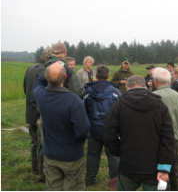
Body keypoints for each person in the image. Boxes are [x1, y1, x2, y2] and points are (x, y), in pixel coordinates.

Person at [104, 75, 175, 191]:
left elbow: (108, 135)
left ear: (127, 87)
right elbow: (168, 137)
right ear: (145, 86)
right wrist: (164, 167)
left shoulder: (118, 105)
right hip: (154, 166)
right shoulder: (160, 105)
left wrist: (118, 151)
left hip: (128, 163)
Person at [32, 62, 90, 191]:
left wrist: (50, 69)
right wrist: (78, 142)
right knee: (74, 186)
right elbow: (83, 131)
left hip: (50, 154)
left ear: (46, 77)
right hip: (72, 156)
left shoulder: (40, 95)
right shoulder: (74, 100)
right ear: (65, 77)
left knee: (53, 186)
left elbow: (36, 83)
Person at [82, 65, 121, 187]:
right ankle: (115, 181)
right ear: (108, 76)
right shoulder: (116, 92)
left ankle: (90, 180)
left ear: (96, 76)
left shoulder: (87, 92)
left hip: (93, 129)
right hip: (111, 131)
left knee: (93, 155)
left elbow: (83, 111)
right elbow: (121, 112)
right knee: (114, 156)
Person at [152, 67, 178, 190]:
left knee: (159, 170)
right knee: (174, 169)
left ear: (155, 80)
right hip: (174, 137)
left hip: (158, 140)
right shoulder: (177, 95)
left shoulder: (153, 96)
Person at [23, 47, 51, 182]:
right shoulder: (44, 71)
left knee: (34, 142)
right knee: (42, 143)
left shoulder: (30, 68)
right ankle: (42, 172)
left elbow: (25, 90)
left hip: (29, 111)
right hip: (39, 112)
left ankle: (34, 169)